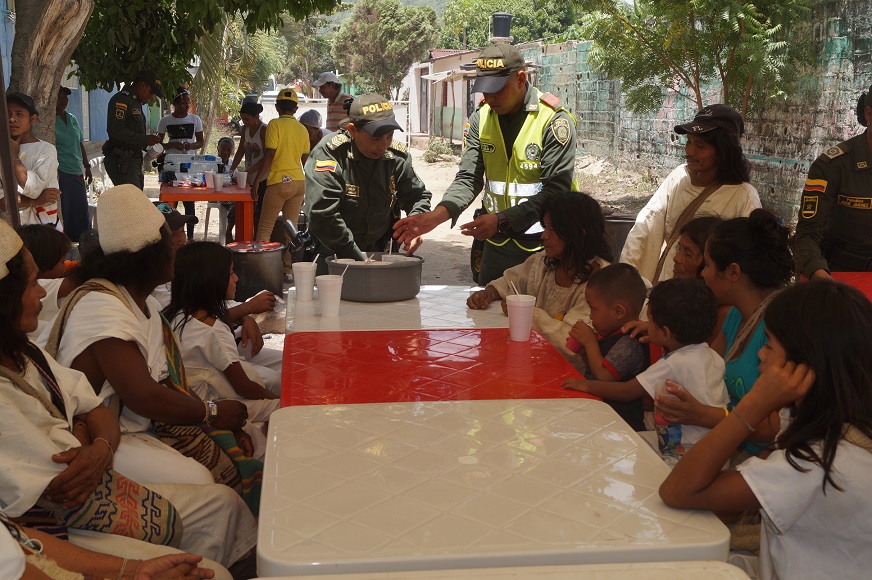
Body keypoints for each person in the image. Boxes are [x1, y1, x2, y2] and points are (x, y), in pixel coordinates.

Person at [0, 218, 253, 571]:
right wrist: (209, 413)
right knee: (202, 488)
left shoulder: (23, 351)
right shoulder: (101, 307)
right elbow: (140, 399)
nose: (44, 292)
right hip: (59, 514)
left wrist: (98, 444)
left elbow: (86, 402)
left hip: (103, 443)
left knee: (224, 503)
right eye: (31, 284)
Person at [659, 280, 872, 580]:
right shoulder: (844, 423)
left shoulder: (816, 463)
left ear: (803, 366)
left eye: (769, 344)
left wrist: (754, 403)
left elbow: (677, 490)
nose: (761, 354)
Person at [393, 43, 579, 285]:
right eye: (485, 90)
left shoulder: (554, 121)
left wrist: (502, 219)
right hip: (498, 245)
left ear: (521, 79)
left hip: (547, 245)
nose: (489, 98)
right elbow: (468, 178)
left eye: (497, 90)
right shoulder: (481, 118)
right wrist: (436, 217)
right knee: (488, 312)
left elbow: (556, 191)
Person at [654, 209, 794, 462]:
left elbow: (778, 425)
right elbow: (706, 367)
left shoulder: (781, 326)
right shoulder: (736, 316)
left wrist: (702, 415)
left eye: (707, 264)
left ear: (733, 272)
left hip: (757, 456)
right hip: (722, 442)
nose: (703, 274)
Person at [566, 278, 729, 466]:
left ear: (665, 333)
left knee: (616, 451)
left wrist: (586, 385)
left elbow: (626, 391)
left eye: (650, 321)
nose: (645, 324)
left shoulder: (674, 362)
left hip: (685, 458)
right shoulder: (712, 357)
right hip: (716, 454)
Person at [619, 104, 761, 284]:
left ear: (724, 150)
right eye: (689, 142)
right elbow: (647, 225)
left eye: (700, 146)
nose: (689, 152)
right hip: (666, 290)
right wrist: (627, 272)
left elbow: (748, 259)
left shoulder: (743, 196)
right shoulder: (678, 177)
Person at [164, 242, 280, 456]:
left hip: (194, 399)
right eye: (231, 273)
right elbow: (243, 386)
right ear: (212, 281)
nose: (236, 278)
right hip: (211, 406)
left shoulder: (176, 314)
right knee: (282, 409)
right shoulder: (213, 330)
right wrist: (275, 400)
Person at [467, 192, 612, 361]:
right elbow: (510, 281)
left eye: (552, 230)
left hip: (575, 372)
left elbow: (573, 341)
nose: (544, 235)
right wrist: (489, 293)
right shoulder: (544, 262)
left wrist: (529, 315)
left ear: (579, 234)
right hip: (537, 358)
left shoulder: (600, 281)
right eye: (545, 228)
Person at [304, 93, 432, 271]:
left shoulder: (396, 156)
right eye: (375, 138)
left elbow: (417, 196)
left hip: (379, 253)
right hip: (333, 255)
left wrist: (416, 224)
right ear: (352, 130)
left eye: (389, 136)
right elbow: (323, 214)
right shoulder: (331, 154)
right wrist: (357, 257)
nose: (383, 145)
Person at [795, 87, 872, 279]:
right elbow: (806, 235)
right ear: (869, 114)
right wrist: (821, 277)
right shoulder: (832, 166)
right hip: (839, 274)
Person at [565, 263, 650, 431]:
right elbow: (599, 369)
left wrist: (590, 344)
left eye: (594, 309)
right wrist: (584, 353)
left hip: (622, 425)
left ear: (619, 312)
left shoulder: (630, 341)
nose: (590, 315)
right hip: (601, 416)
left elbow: (604, 377)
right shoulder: (612, 333)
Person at [251, 88, 310, 273]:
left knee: (265, 228)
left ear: (277, 107)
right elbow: (305, 159)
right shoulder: (302, 129)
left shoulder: (274, 125)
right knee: (290, 230)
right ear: (296, 109)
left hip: (278, 182)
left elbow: (269, 154)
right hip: (299, 183)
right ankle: (288, 270)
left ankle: (261, 271)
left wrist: (256, 181)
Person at [2, 92, 62, 230]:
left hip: (43, 230)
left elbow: (33, 189)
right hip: (10, 231)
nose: (12, 119)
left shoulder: (45, 149)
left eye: (19, 114)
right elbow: (1, 200)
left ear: (33, 118)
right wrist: (34, 201)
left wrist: (14, 157)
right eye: (8, 113)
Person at [102, 69, 163, 189]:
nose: (151, 97)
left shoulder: (136, 102)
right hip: (122, 160)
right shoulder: (122, 100)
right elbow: (115, 130)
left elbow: (134, 134)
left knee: (136, 201)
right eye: (151, 92)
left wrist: (150, 146)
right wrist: (145, 139)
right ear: (143, 86)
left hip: (133, 161)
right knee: (132, 203)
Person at [157, 87, 205, 240]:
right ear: (174, 103)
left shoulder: (194, 119)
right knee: (171, 204)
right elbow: (158, 145)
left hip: (189, 165)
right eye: (182, 103)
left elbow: (200, 142)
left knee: (189, 202)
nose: (186, 105)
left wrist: (190, 146)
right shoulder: (165, 121)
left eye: (187, 103)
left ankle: (189, 238)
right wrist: (171, 145)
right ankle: (172, 237)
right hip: (171, 164)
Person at [17, 224, 79, 339]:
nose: (65, 265)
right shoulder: (42, 284)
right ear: (45, 263)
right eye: (62, 261)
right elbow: (78, 281)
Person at [55, 86, 93, 243]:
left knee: (81, 208)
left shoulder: (72, 118)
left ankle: (83, 239)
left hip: (77, 169)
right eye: (59, 97)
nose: (63, 101)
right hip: (62, 171)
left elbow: (80, 143)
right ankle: (68, 242)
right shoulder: (49, 121)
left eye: (65, 97)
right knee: (68, 209)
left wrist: (87, 166)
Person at [229, 101, 268, 226]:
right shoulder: (245, 129)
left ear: (256, 117)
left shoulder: (264, 130)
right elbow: (241, 151)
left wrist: (248, 172)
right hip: (249, 175)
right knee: (245, 210)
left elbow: (267, 157)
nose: (244, 122)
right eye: (242, 119)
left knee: (259, 214)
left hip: (262, 177)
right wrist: (231, 169)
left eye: (247, 119)